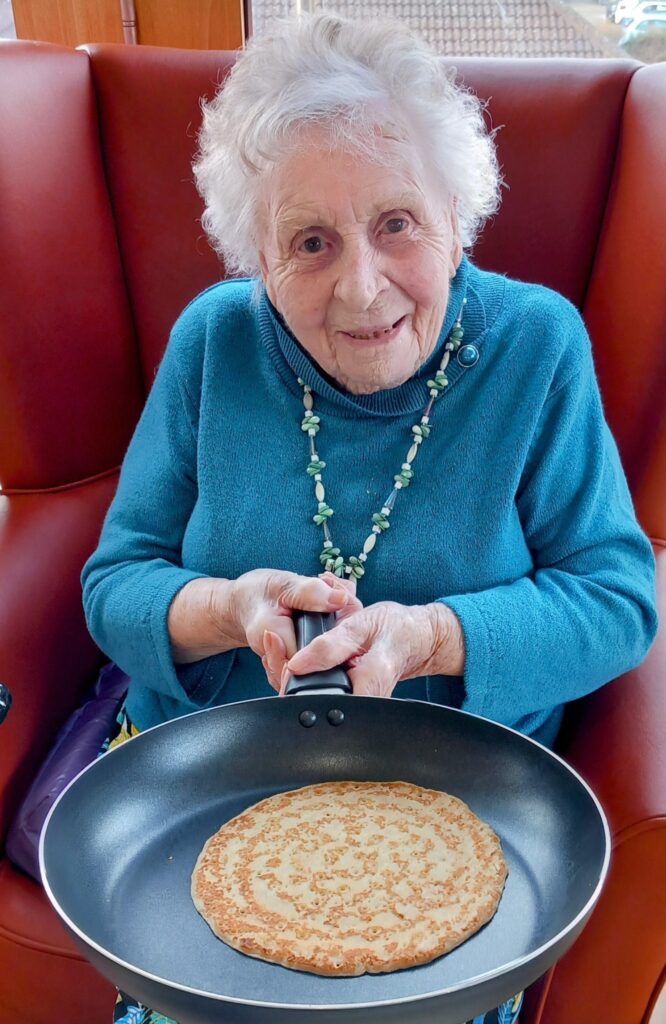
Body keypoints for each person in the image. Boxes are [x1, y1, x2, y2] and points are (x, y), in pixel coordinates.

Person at [82, 13, 657, 1024]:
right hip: (205, 790)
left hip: (460, 807)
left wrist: (431, 635)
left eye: (397, 221)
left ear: (459, 212)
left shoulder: (535, 347)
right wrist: (227, 607)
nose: (361, 285)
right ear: (254, 253)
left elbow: (615, 599)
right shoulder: (214, 343)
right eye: (309, 241)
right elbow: (114, 581)